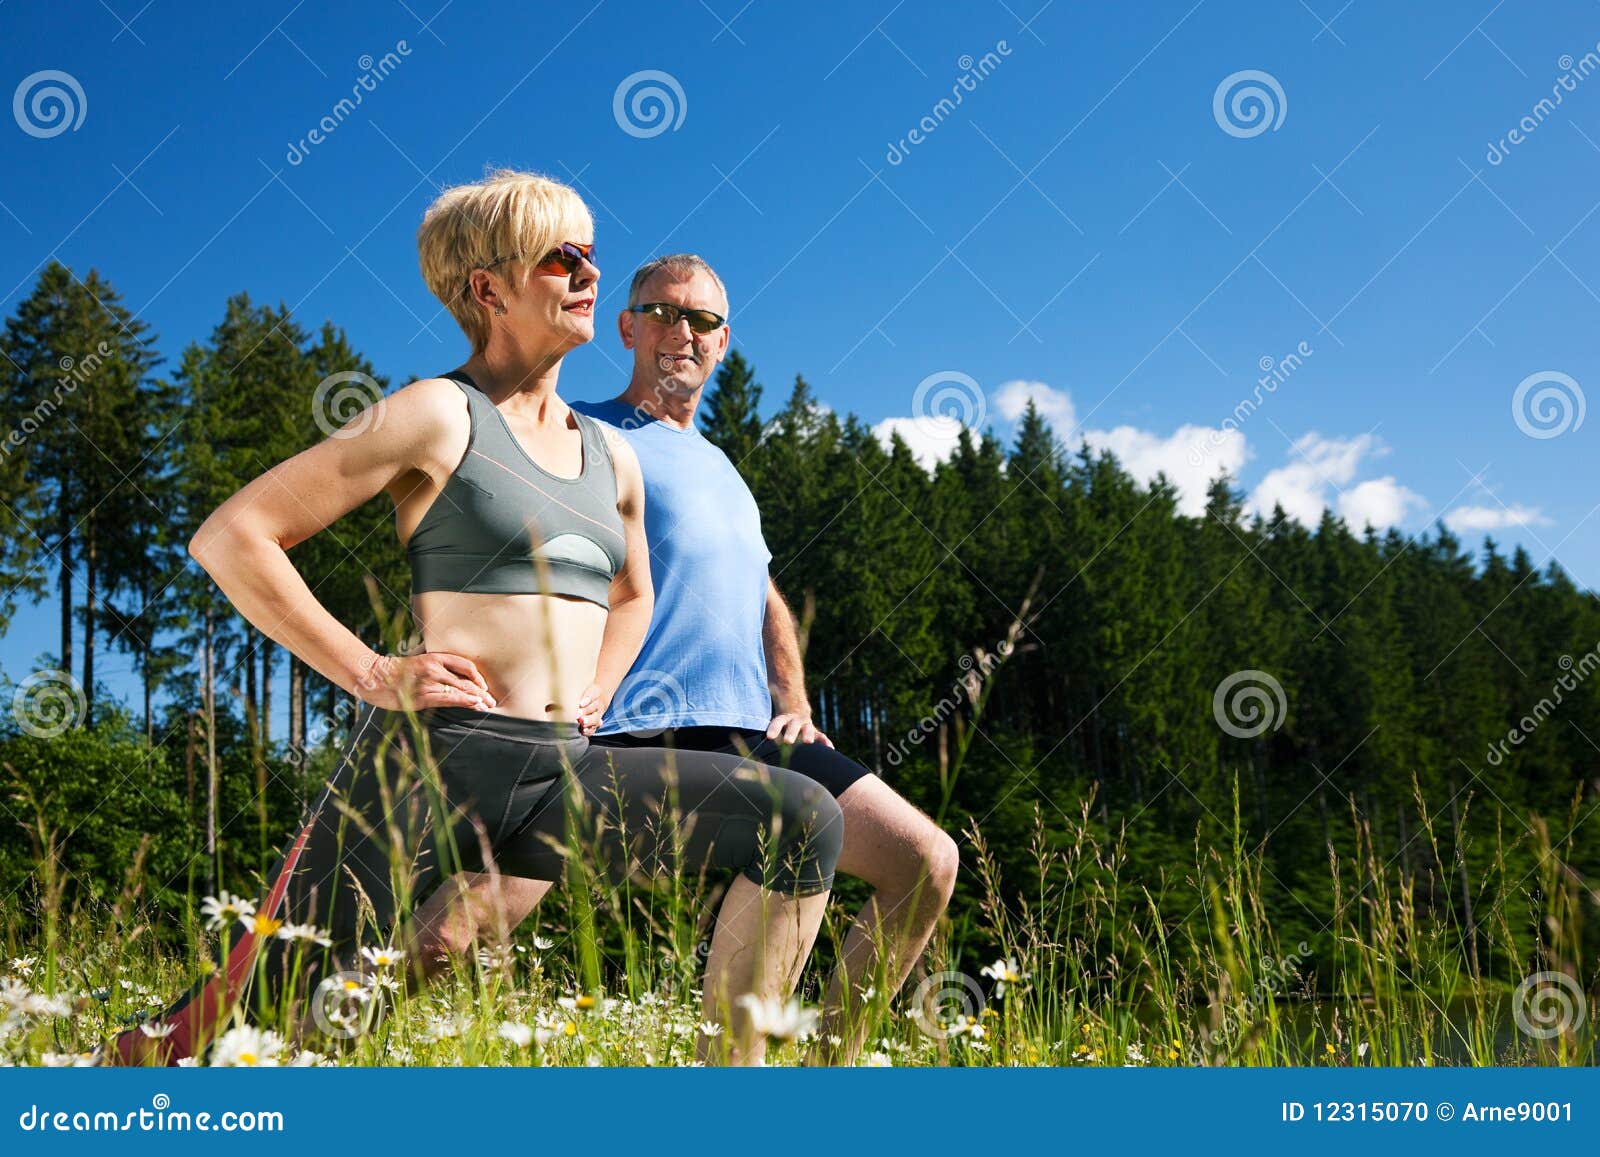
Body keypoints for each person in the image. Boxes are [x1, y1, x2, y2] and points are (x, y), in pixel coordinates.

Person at [106, 172, 841, 1067]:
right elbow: (233, 537)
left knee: (801, 818)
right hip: (436, 759)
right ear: (489, 288)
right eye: (561, 258)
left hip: (564, 768)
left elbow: (632, 593)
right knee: (235, 1016)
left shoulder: (611, 455)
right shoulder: (436, 414)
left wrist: (599, 689)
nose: (589, 274)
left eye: (591, 255)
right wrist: (371, 670)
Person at [417, 254, 959, 1065]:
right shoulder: (580, 431)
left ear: (723, 340)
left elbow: (764, 593)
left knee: (926, 861)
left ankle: (821, 1078)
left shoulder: (725, 470)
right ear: (627, 326)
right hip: (611, 730)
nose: (683, 331)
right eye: (663, 312)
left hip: (745, 731)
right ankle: (285, 1035)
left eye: (702, 319)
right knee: (449, 935)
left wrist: (794, 700)